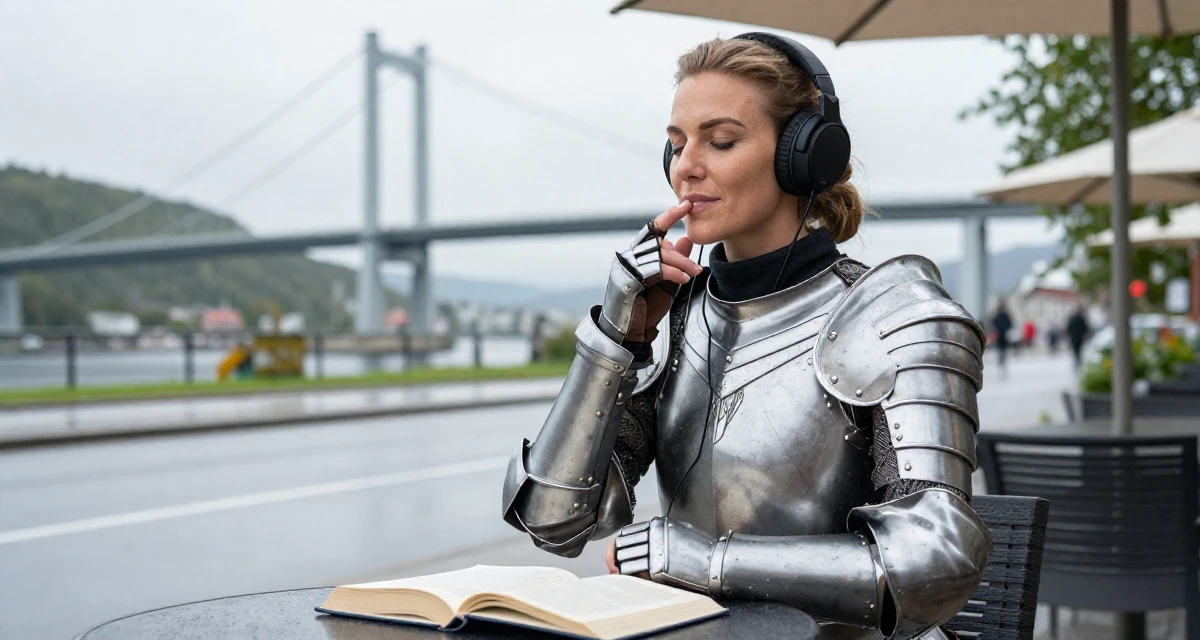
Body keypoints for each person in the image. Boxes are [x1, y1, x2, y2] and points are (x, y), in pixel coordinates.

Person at [500, 34, 990, 640]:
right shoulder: (678, 317)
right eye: (677, 144)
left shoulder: (896, 317)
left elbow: (938, 560)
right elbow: (553, 522)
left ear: (801, 154)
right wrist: (615, 339)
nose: (686, 166)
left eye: (721, 140)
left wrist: (708, 563)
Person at [990, 301, 1013, 375]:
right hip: (1001, 336)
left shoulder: (1003, 315)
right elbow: (993, 322)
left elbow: (1010, 324)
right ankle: (1001, 361)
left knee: (1002, 350)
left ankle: (1002, 361)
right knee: (1001, 350)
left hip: (1003, 335)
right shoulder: (1001, 315)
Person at [1066, 305, 1091, 371]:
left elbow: (1068, 329)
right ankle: (1078, 361)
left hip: (1074, 338)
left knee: (1075, 351)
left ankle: (1077, 361)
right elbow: (1085, 328)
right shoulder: (1081, 319)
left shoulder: (1071, 319)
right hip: (1079, 338)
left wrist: (1069, 335)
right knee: (1079, 350)